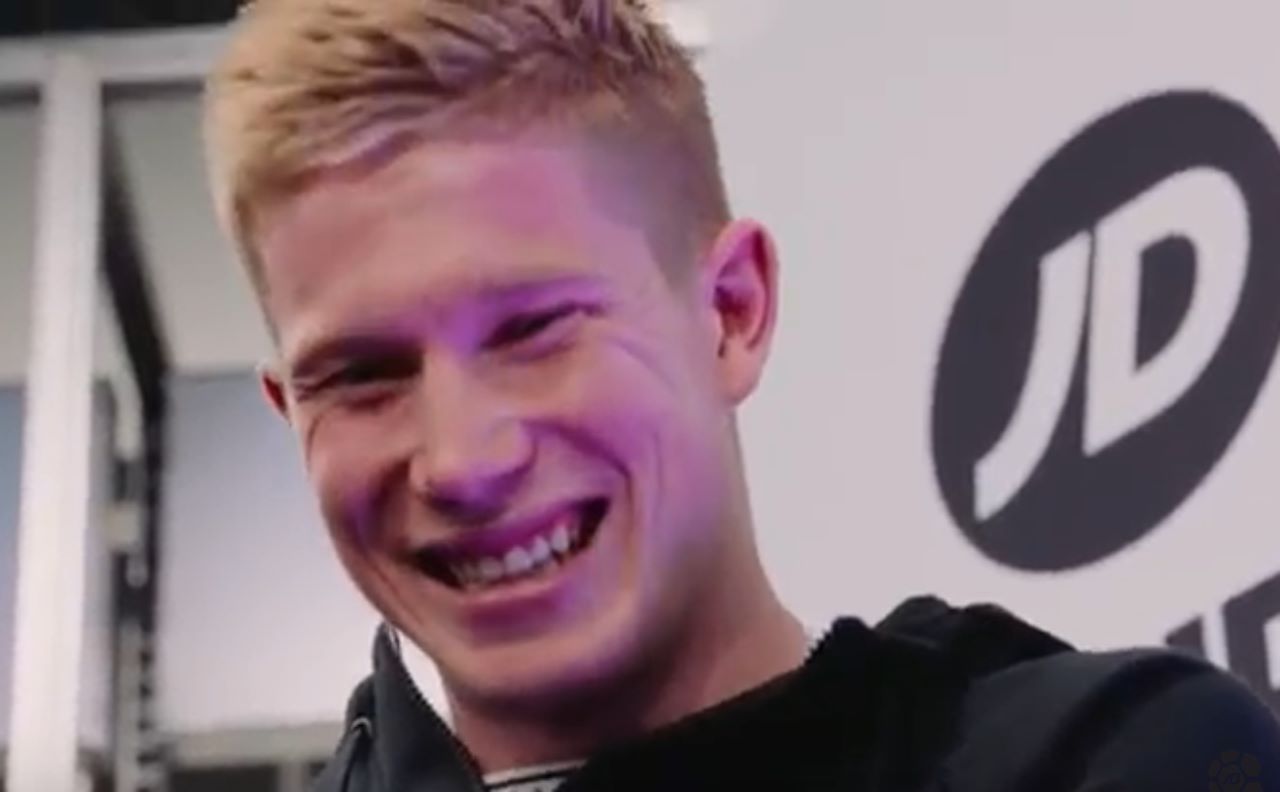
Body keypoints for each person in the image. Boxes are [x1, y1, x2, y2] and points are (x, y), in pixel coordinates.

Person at [202, 1, 1280, 789]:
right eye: (363, 375)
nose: (462, 459)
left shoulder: (1106, 761)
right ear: (292, 416)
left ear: (731, 310)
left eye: (534, 330)